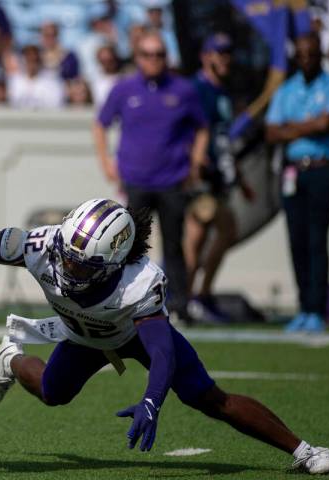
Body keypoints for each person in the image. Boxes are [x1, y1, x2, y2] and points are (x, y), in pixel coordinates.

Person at [0, 198, 329, 475]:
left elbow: (162, 352)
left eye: (82, 264)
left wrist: (151, 401)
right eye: (68, 257)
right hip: (84, 335)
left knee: (208, 397)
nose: (69, 267)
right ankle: (11, 357)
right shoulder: (43, 246)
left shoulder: (139, 284)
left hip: (132, 334)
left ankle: (306, 450)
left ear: (113, 262)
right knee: (53, 393)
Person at [93, 31, 209, 323]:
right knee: (129, 246)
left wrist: (196, 162)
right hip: (136, 179)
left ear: (166, 58)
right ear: (138, 57)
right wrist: (106, 161)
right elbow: (100, 124)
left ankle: (180, 304)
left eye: (159, 54)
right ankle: (125, 302)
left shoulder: (183, 90)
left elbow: (202, 127)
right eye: (147, 54)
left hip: (172, 179)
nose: (153, 60)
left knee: (174, 244)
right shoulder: (124, 88)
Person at [266, 32, 329, 333]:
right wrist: (308, 125)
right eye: (301, 54)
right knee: (296, 240)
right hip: (293, 172)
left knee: (316, 239)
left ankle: (317, 308)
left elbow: (327, 124)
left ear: (320, 55)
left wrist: (292, 127)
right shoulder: (287, 89)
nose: (306, 59)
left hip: (322, 169)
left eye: (311, 54)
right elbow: (272, 132)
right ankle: (303, 306)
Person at [184, 33, 254, 323]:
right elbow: (185, 129)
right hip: (200, 174)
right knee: (197, 235)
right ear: (205, 56)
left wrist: (239, 179)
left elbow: (223, 138)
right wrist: (192, 163)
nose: (224, 58)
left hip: (218, 175)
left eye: (227, 53)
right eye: (218, 53)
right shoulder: (196, 88)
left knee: (222, 231)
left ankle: (196, 295)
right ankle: (187, 298)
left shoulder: (222, 92)